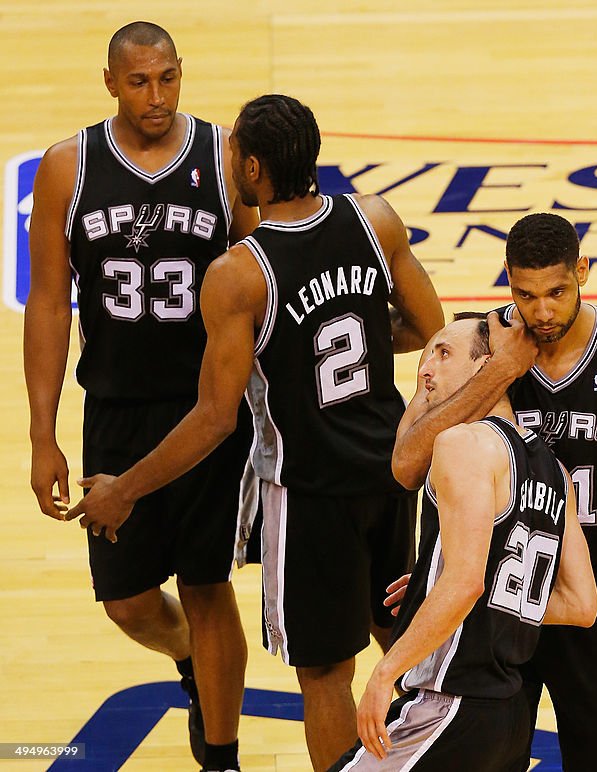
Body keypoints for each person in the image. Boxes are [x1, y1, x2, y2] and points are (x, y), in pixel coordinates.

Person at [65, 93, 445, 771]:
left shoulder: (239, 274)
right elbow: (427, 328)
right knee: (401, 631)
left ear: (256, 168)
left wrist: (125, 488)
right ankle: (470, 740)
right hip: (391, 471)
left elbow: (214, 418)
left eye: (236, 147)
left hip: (312, 491)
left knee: (325, 673)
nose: (227, 154)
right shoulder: (374, 219)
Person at [390, 213, 597, 771]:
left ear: (582, 272)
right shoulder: (480, 344)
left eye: (557, 292)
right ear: (507, 279)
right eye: (525, 294)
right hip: (502, 593)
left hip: (596, 589)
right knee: (488, 759)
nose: (541, 312)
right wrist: (500, 370)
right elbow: (408, 465)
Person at [25, 21, 260, 772]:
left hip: (212, 412)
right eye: (138, 82)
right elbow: (50, 305)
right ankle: (194, 663)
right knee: (126, 601)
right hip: (117, 413)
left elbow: (265, 275)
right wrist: (41, 433)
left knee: (207, 583)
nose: (155, 97)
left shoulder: (225, 159)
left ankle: (220, 754)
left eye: (167, 79)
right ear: (109, 83)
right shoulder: (69, 167)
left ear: (182, 73)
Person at [332, 314, 597, 771]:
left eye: (444, 352)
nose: (424, 368)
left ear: (488, 366)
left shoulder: (461, 444)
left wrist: (384, 672)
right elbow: (581, 603)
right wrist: (435, 581)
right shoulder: (554, 471)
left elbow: (465, 583)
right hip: (509, 718)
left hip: (449, 703)